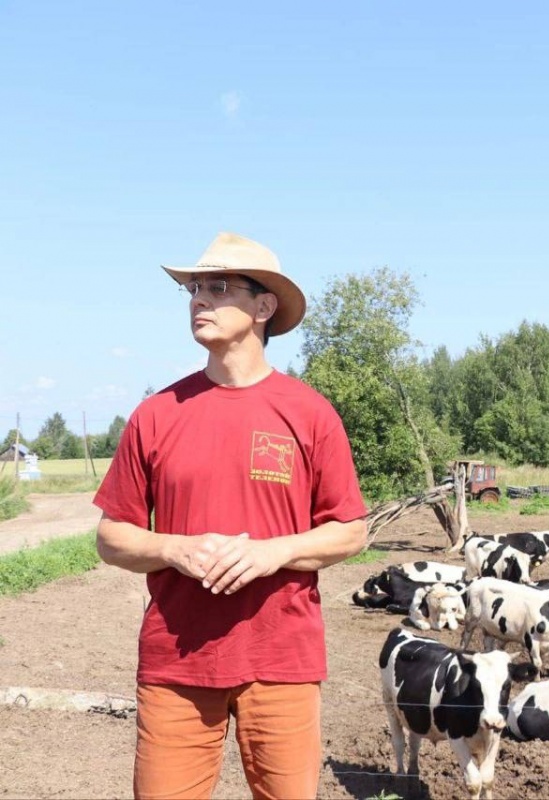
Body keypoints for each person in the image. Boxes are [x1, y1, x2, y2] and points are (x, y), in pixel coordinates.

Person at [94, 232, 368, 799]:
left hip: (282, 658)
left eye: (218, 288)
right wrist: (174, 549)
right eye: (195, 289)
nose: (199, 300)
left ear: (264, 307)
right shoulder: (156, 414)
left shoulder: (310, 414)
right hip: (176, 662)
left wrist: (274, 551)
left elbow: (351, 529)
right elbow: (111, 536)